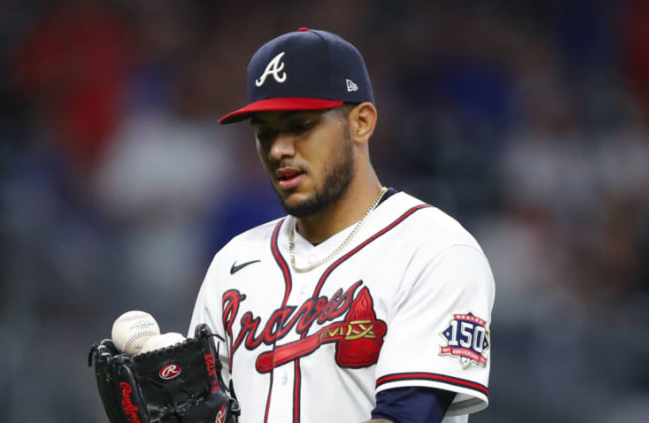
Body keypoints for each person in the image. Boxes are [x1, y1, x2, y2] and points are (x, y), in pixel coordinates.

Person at [189, 28, 495, 423]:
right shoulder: (233, 262)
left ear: (361, 122)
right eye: (264, 134)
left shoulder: (436, 250)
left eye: (300, 126)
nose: (279, 149)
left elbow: (405, 417)